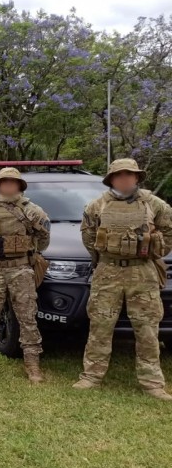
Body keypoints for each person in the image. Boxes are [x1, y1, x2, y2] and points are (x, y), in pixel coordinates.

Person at [74, 158, 172, 400]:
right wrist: (107, 256)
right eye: (119, 175)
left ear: (137, 177)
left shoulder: (155, 205)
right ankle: (92, 375)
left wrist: (153, 252)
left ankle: (152, 382)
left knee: (147, 327)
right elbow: (89, 238)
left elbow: (168, 232)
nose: (124, 178)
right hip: (108, 272)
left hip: (143, 272)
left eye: (129, 174)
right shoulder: (96, 206)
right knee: (100, 325)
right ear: (111, 179)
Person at [0, 167, 50, 383]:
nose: (8, 186)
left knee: (27, 318)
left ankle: (32, 365)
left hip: (20, 270)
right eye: (4, 182)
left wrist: (28, 251)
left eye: (12, 182)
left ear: (19, 186)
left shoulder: (31, 210)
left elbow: (43, 237)